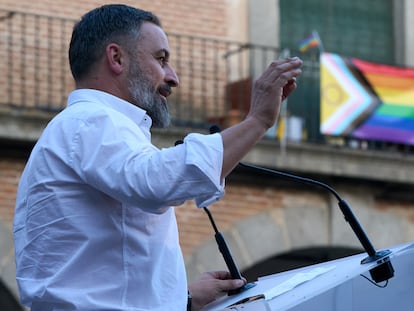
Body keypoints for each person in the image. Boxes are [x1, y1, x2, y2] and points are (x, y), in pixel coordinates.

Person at [13, 4, 302, 311]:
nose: (173, 77)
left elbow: (101, 276)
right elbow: (156, 181)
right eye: (161, 59)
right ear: (116, 58)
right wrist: (257, 120)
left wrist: (183, 299)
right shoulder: (89, 121)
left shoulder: (89, 127)